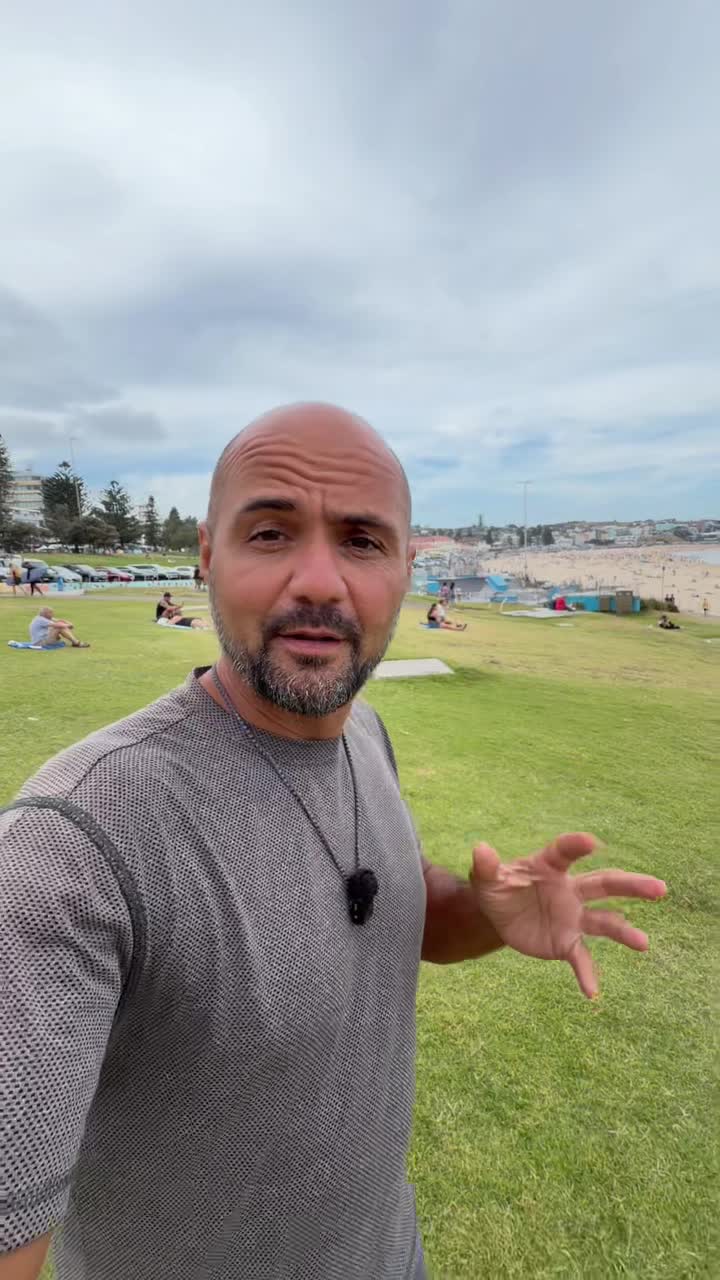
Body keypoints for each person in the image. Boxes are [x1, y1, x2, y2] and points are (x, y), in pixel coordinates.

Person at [0, 403, 666, 1280]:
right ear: (208, 555)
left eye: (361, 541)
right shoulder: (72, 842)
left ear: (405, 569)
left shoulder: (366, 736)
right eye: (271, 532)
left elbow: (386, 907)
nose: (319, 580)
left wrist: (485, 915)